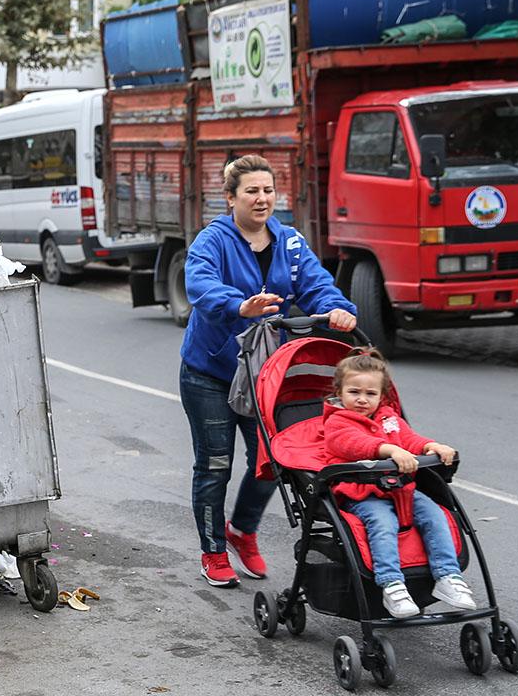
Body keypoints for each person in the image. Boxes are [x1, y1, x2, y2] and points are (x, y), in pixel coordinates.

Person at [181, 154, 357, 588]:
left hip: (264, 373)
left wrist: (338, 311)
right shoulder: (213, 240)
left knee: (273, 461)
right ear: (230, 198)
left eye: (268, 191)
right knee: (215, 465)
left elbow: (317, 286)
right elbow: (200, 284)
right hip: (211, 372)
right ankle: (214, 551)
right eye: (251, 191)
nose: (262, 200)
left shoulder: (290, 242)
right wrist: (238, 305)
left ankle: (243, 531)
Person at [322, 347, 475, 618]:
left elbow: (409, 439)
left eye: (370, 394)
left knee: (435, 515)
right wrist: (389, 450)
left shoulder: (389, 418)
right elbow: (354, 444)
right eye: (354, 392)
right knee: (383, 524)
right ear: (339, 392)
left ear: (382, 396)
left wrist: (431, 445)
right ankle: (391, 584)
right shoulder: (337, 422)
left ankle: (447, 576)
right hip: (361, 493)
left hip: (400, 489)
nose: (362, 400)